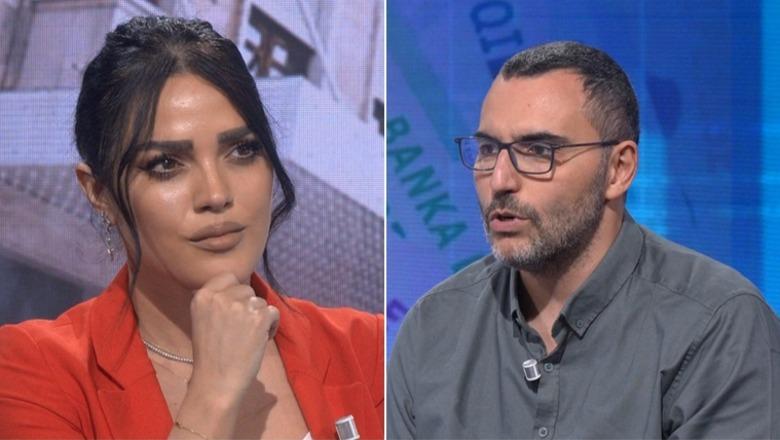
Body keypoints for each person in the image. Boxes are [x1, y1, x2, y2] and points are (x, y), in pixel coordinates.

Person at [0, 16, 383, 439]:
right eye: (165, 164)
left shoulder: (371, 350)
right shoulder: (34, 371)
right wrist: (214, 393)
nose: (216, 194)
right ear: (99, 193)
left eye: (243, 150)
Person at [388, 41, 780, 439]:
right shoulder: (432, 327)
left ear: (618, 169)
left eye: (538, 150)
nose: (500, 180)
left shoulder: (717, 325)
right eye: (489, 149)